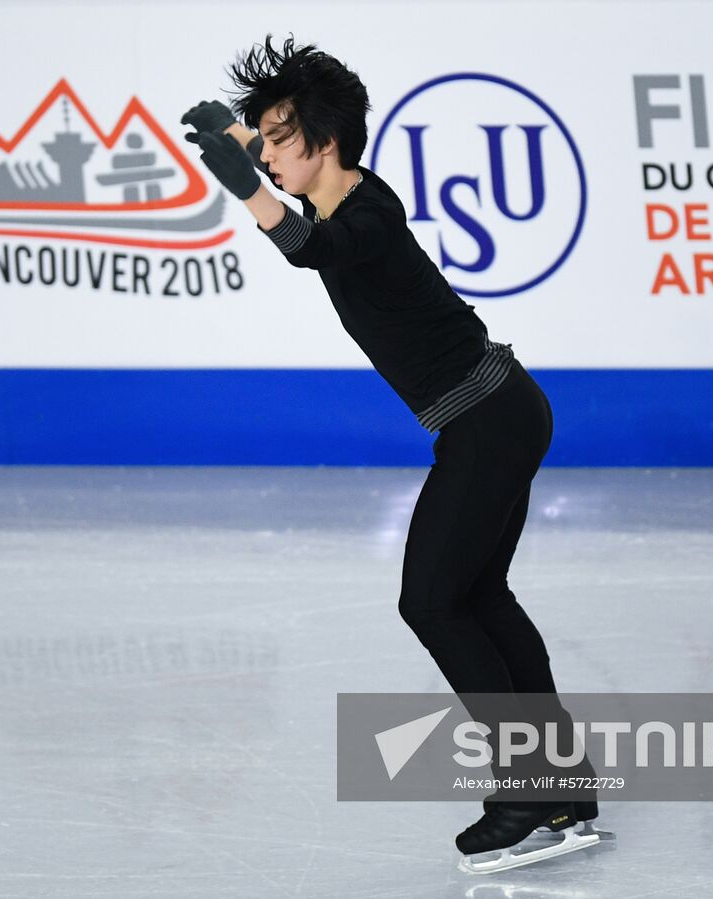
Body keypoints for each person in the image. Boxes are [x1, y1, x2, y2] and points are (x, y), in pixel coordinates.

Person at [181, 34, 600, 872]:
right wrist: (246, 153)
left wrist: (244, 190)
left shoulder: (363, 217)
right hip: (498, 411)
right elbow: (307, 217)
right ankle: (564, 781)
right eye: (260, 139)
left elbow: (315, 249)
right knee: (480, 595)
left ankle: (525, 791)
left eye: (277, 137)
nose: (266, 153)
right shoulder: (346, 195)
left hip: (490, 419)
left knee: (433, 602)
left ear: (324, 144)